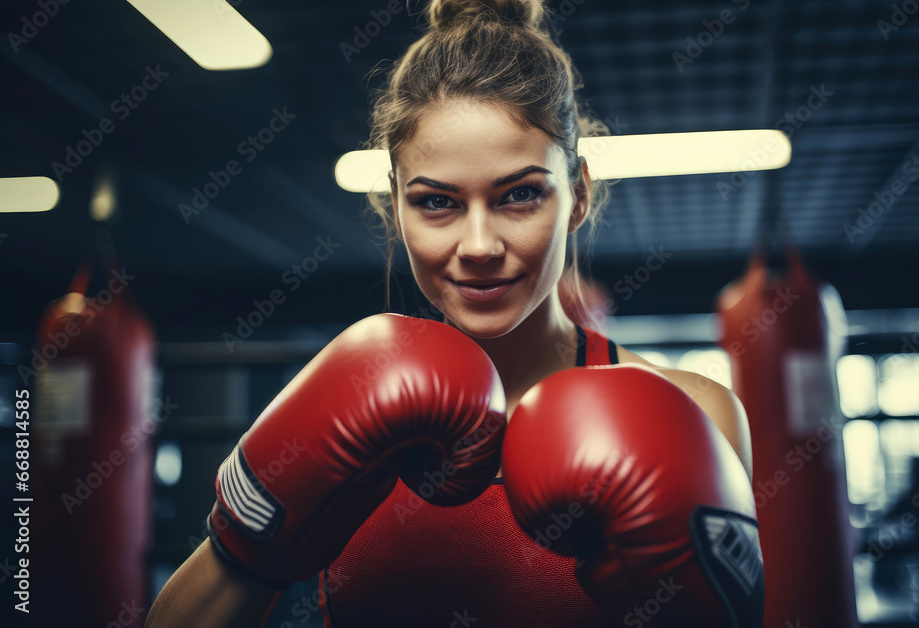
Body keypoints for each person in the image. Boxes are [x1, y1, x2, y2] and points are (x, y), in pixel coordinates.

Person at [145, 1, 761, 626]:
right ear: (394, 210)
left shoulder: (695, 414)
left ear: (578, 195)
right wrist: (251, 553)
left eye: (520, 195)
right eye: (437, 202)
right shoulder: (345, 400)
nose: (479, 247)